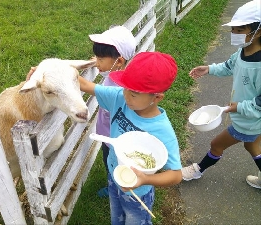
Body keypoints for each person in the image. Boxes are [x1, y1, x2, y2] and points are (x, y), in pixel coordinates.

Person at [79, 51, 182, 224]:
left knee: (135, 220)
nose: (126, 95)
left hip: (138, 191)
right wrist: (45, 71)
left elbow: (176, 174)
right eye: (125, 87)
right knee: (116, 216)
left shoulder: (161, 130)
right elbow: (85, 85)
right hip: (115, 175)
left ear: (156, 97)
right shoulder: (120, 97)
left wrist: (145, 180)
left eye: (133, 94)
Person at [181, 0, 261, 189]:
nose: (234, 34)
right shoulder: (242, 51)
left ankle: (197, 170)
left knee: (216, 144)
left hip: (248, 120)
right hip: (249, 118)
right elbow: (228, 66)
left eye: (239, 30)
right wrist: (208, 69)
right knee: (253, 146)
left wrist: (238, 107)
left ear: (258, 31)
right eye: (233, 30)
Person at [88, 25, 136, 197]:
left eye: (100, 59)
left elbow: (85, 85)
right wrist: (99, 61)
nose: (96, 62)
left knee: (119, 165)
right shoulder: (112, 72)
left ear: (119, 61)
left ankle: (119, 190)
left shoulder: (123, 88)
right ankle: (112, 185)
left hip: (118, 139)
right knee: (108, 162)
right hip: (106, 134)